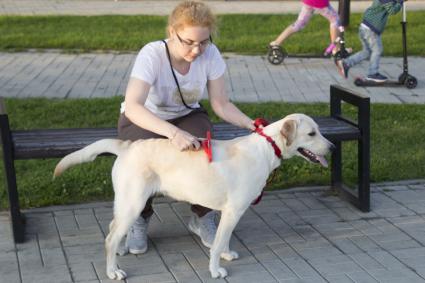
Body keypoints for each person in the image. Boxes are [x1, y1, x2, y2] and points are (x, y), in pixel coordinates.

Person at [117, 0, 255, 255]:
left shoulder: (211, 54)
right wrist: (173, 133)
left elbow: (221, 103)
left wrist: (249, 123)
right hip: (145, 117)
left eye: (203, 41)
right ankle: (139, 217)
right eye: (188, 42)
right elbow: (134, 106)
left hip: (185, 114)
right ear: (172, 32)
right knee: (144, 157)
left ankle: (203, 217)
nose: (196, 50)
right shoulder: (152, 54)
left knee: (205, 150)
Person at [336, 0, 404, 82]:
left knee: (367, 52)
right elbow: (392, 10)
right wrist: (400, 2)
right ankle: (373, 73)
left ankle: (346, 63)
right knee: (377, 50)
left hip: (365, 27)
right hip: (370, 29)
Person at [269, 0, 340, 53]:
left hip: (309, 2)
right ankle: (336, 49)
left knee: (299, 23)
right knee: (335, 20)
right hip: (319, 2)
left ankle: (276, 42)